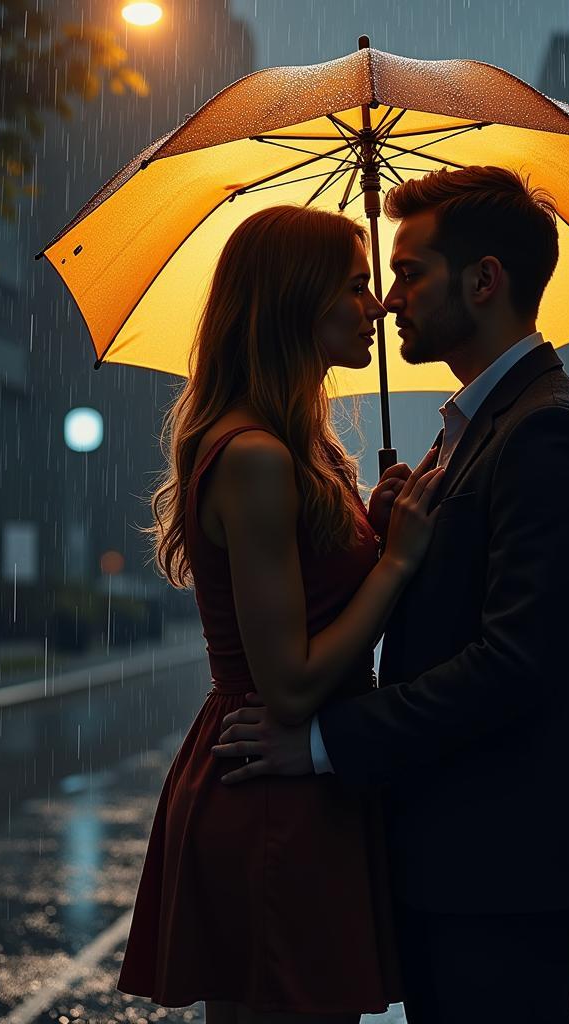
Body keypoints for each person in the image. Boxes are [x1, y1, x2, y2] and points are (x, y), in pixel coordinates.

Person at [214, 166, 569, 1024]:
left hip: (503, 864)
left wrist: (324, 743)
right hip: (456, 852)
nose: (388, 300)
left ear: (484, 281)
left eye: (408, 273)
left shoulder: (547, 431)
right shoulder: (472, 431)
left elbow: (514, 665)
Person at [116, 204, 446, 1023]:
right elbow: (291, 684)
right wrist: (397, 562)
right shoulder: (258, 457)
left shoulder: (300, 447)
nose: (377, 306)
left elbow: (315, 589)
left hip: (302, 781)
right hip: (273, 783)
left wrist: (371, 520)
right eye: (356, 286)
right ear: (297, 301)